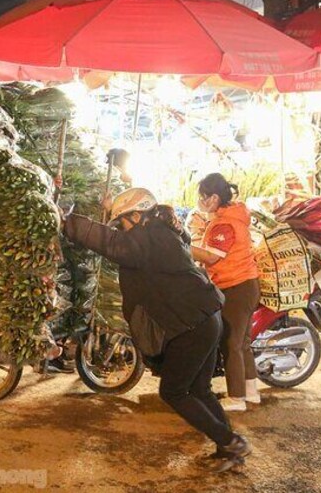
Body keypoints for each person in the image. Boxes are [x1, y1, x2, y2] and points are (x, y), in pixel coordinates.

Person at [64, 188, 251, 472]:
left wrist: (69, 223)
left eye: (124, 223)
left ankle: (230, 441)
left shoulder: (148, 237)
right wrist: (110, 207)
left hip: (191, 324)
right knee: (199, 389)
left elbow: (111, 243)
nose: (123, 230)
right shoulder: (162, 230)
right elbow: (119, 239)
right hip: (205, 317)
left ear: (138, 216)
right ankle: (228, 447)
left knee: (173, 391)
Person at [191, 173, 261, 413]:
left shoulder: (225, 223)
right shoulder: (232, 216)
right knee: (242, 343)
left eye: (203, 197)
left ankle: (236, 398)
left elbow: (212, 256)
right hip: (246, 284)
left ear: (214, 197)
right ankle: (250, 392)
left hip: (235, 286)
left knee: (231, 343)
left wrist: (183, 249)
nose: (200, 201)